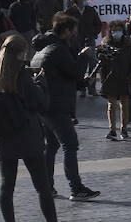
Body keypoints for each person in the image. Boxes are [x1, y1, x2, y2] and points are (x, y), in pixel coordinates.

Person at [0, 34, 76, 222]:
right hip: (26, 135)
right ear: (20, 52)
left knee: (7, 186)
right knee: (42, 187)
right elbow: (40, 104)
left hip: (3, 136)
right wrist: (41, 84)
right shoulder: (21, 74)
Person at [30, 14, 100, 200]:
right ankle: (76, 188)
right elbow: (75, 71)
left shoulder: (41, 49)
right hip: (57, 107)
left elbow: (63, 77)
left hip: (45, 105)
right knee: (70, 144)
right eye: (73, 31)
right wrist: (84, 57)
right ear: (66, 31)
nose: (75, 34)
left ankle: (46, 186)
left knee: (51, 145)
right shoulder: (58, 49)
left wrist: (81, 82)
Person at [96, 20, 131, 140]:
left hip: (125, 78)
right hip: (110, 78)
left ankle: (124, 129)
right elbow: (102, 64)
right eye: (114, 30)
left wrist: (130, 76)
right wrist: (103, 78)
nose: (116, 33)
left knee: (124, 105)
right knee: (111, 105)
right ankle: (112, 129)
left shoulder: (128, 44)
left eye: (119, 30)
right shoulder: (106, 44)